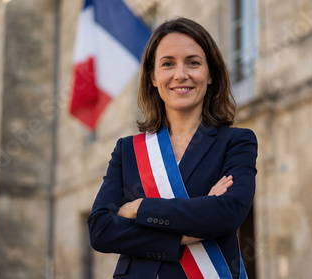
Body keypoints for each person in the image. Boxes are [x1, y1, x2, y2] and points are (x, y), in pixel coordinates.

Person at [87, 17, 258, 279]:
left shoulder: (236, 142)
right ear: (153, 77)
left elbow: (228, 213)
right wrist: (195, 222)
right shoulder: (128, 151)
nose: (181, 74)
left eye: (193, 62)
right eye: (168, 64)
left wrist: (140, 208)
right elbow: (101, 231)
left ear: (210, 74)